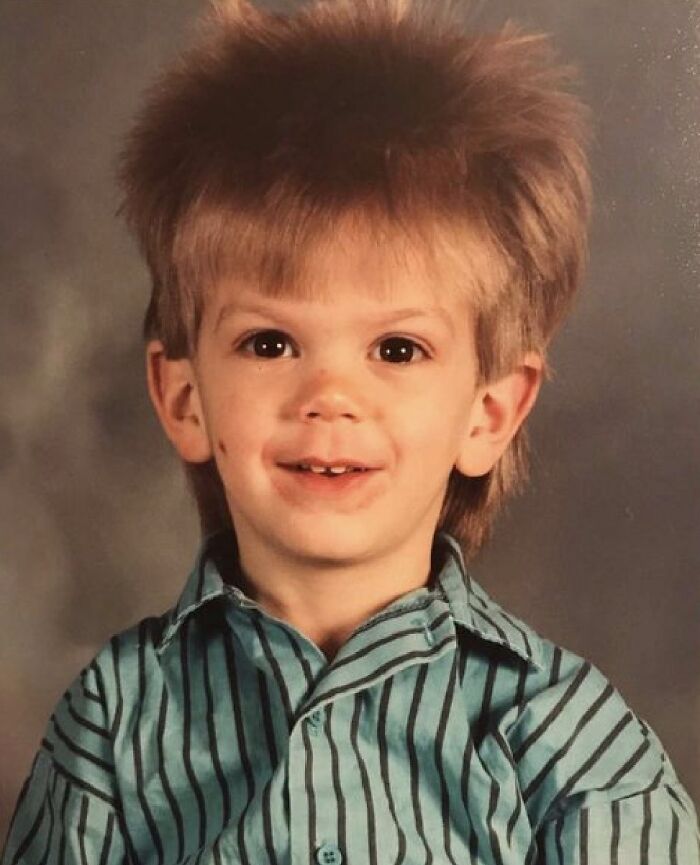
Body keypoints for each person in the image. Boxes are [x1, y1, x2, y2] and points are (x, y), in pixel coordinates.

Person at [3, 0, 699, 861]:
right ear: (184, 399)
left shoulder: (570, 748)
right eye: (270, 341)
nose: (330, 394)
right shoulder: (116, 723)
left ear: (489, 412)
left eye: (397, 348)